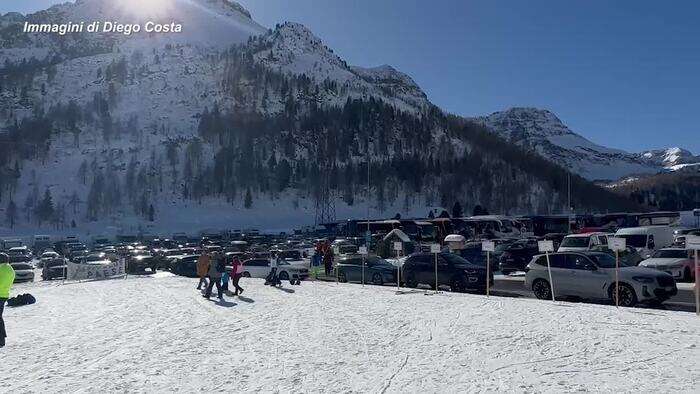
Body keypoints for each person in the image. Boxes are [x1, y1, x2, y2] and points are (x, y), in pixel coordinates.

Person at [0, 253, 15, 348]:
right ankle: (2, 338)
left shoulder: (2, 269)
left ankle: (1, 339)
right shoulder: (10, 269)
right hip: (4, 294)